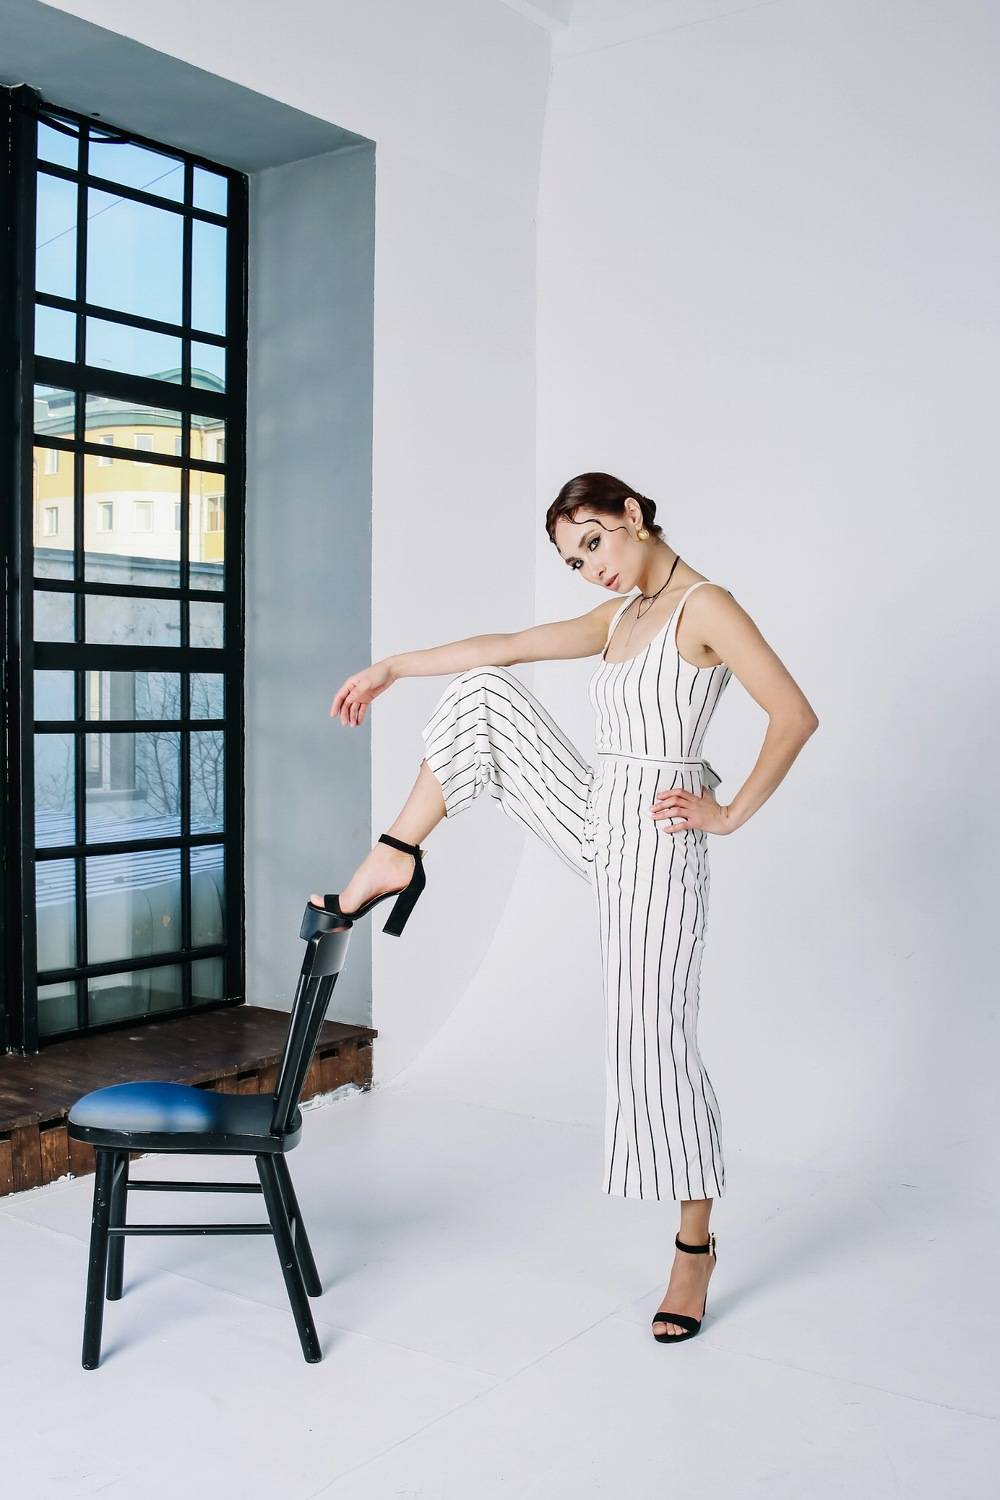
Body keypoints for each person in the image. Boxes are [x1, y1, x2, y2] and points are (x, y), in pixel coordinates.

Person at [310, 471, 819, 1343]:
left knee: (654, 1041)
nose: (592, 566)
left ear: (634, 515)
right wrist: (393, 665)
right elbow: (506, 644)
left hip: (656, 843)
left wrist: (728, 813)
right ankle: (394, 855)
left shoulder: (706, 606)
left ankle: (693, 1248)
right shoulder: (618, 618)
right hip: (595, 811)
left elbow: (794, 715)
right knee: (482, 693)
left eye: (594, 541)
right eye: (574, 560)